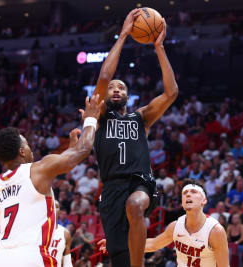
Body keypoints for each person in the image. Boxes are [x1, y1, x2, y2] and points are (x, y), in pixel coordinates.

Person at [86, 8, 178, 267]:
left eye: (122, 87)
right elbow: (104, 76)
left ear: (128, 96)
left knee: (135, 205)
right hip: (111, 189)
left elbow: (171, 93)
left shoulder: (141, 117)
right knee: (119, 256)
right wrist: (124, 34)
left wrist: (159, 47)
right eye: (113, 87)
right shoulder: (100, 115)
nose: (116, 88)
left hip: (140, 182)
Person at [0, 94, 103, 267]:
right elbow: (84, 149)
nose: (30, 149)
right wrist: (91, 120)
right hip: (32, 257)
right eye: (26, 145)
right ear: (21, 151)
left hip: (0, 259)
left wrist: (67, 155)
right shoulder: (37, 169)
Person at [99, 179, 229, 267]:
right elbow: (154, 244)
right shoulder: (175, 226)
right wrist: (118, 244)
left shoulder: (215, 231)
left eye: (193, 192)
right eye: (185, 193)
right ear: (182, 202)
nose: (188, 195)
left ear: (204, 200)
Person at [48, 201, 72, 267]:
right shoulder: (36, 231)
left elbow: (67, 263)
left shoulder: (65, 234)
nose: (53, 209)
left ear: (60, 212)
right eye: (51, 206)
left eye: (56, 207)